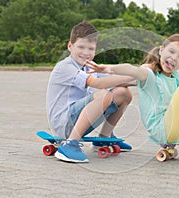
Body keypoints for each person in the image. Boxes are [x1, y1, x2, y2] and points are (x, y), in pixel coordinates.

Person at [46, 20, 134, 163]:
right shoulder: (65, 67)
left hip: (80, 121)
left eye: (91, 49)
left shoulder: (90, 67)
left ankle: (104, 138)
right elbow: (98, 83)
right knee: (103, 94)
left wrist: (145, 77)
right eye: (81, 47)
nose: (86, 53)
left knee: (123, 93)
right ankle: (69, 145)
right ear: (70, 46)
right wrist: (132, 75)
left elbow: (117, 80)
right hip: (64, 124)